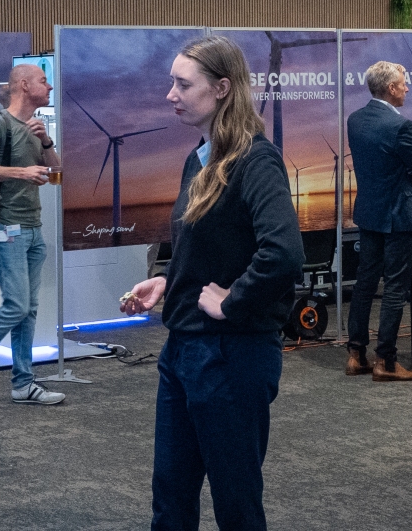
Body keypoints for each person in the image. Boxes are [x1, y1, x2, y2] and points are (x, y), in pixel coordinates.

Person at [118, 35, 302, 531]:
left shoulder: (255, 161)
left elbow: (283, 252)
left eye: (183, 84)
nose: (170, 94)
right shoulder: (199, 159)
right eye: (171, 82)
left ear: (222, 88)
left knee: (235, 504)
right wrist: (166, 281)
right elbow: (207, 247)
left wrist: (234, 301)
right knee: (171, 498)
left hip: (231, 357)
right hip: (184, 352)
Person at [0, 63, 67, 406]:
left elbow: (57, 171)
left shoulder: (35, 127)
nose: (49, 88)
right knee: (17, 305)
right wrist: (20, 172)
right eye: (43, 81)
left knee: (28, 309)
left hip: (32, 228)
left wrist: (46, 141)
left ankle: (23, 383)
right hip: (7, 227)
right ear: (23, 84)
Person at [343, 61, 412, 382]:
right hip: (399, 215)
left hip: (369, 212)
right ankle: (386, 362)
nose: (408, 88)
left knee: (365, 283)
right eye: (404, 83)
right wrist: (403, 170)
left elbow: (374, 165)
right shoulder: (400, 126)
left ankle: (356, 355)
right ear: (391, 88)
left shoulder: (355, 120)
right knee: (395, 286)